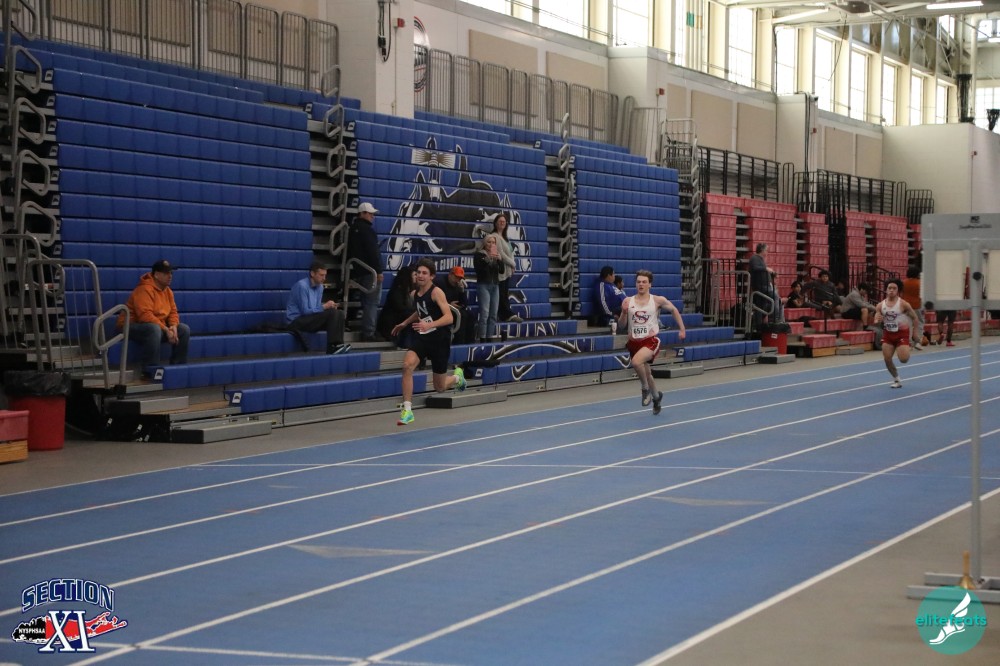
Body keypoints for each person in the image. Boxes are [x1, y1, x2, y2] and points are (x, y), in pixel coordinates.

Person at [391, 258, 466, 426]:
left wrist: (429, 325)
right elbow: (421, 311)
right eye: (418, 272)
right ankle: (407, 411)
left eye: (424, 273)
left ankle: (457, 378)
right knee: (407, 365)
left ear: (432, 276)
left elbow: (449, 317)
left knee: (440, 387)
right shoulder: (414, 294)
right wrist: (405, 323)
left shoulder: (436, 292)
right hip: (423, 338)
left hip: (440, 341)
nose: (420, 275)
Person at [616, 269, 686, 415]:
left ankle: (645, 389)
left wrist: (682, 329)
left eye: (644, 282)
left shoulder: (657, 300)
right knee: (647, 374)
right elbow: (621, 326)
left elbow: (673, 310)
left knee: (636, 363)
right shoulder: (628, 301)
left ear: (650, 285)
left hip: (650, 341)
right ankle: (656, 397)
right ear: (635, 284)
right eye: (638, 282)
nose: (641, 284)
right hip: (634, 342)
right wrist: (623, 312)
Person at [116, 259, 190, 377]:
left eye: (171, 273)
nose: (170, 276)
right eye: (166, 273)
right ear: (156, 275)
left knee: (184, 329)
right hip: (130, 326)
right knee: (154, 329)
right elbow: (145, 316)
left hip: (155, 326)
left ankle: (178, 368)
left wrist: (173, 327)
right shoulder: (144, 289)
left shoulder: (168, 291)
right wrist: (166, 329)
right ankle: (150, 371)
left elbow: (173, 312)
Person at [285, 262, 350, 354]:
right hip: (296, 321)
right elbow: (305, 311)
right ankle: (332, 347)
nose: (324, 278)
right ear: (312, 273)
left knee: (339, 313)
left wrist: (327, 308)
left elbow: (316, 310)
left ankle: (338, 345)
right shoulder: (302, 286)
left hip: (309, 319)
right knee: (332, 313)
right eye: (321, 275)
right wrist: (324, 307)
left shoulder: (320, 287)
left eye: (325, 275)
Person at [347, 202, 383, 342]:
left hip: (359, 271)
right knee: (372, 302)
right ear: (362, 213)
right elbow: (373, 252)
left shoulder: (352, 229)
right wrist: (378, 271)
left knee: (367, 302)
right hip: (370, 272)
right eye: (370, 213)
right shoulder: (368, 230)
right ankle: (369, 333)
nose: (372, 216)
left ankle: (367, 331)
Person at [873, 278, 919, 388]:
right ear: (886, 290)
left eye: (894, 288)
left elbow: (915, 318)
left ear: (898, 290)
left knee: (903, 359)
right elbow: (876, 319)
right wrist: (877, 320)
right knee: (887, 359)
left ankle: (906, 347)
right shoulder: (880, 305)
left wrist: (915, 333)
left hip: (901, 334)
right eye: (889, 288)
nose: (891, 290)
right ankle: (896, 379)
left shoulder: (903, 304)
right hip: (888, 335)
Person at [491, 214, 522, 323]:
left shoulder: (505, 238)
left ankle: (506, 315)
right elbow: (501, 254)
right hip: (500, 271)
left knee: (504, 293)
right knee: (501, 294)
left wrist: (512, 266)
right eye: (500, 221)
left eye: (504, 221)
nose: (502, 223)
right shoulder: (495, 236)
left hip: (507, 271)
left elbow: (510, 252)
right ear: (495, 223)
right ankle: (507, 315)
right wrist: (513, 263)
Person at [377, 265, 416, 348]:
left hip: (398, 320)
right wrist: (415, 312)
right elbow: (400, 308)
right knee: (411, 317)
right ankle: (405, 344)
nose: (416, 277)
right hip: (389, 325)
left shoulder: (409, 290)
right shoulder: (397, 291)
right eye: (414, 275)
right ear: (408, 277)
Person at [473, 233, 502, 342]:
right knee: (485, 313)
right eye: (489, 242)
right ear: (485, 243)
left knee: (493, 313)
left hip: (495, 285)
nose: (491, 244)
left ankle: (489, 337)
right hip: (483, 285)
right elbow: (479, 270)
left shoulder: (497, 255)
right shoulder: (479, 255)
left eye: (493, 242)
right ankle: (482, 338)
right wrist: (488, 259)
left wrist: (500, 260)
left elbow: (502, 271)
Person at [749, 243, 784, 332]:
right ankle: (775, 319)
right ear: (762, 250)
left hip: (765, 285)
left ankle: (757, 325)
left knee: (761, 306)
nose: (767, 252)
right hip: (761, 286)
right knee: (775, 297)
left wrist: (772, 274)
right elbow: (755, 268)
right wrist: (766, 269)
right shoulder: (754, 258)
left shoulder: (760, 259)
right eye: (766, 250)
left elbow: (762, 270)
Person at [434, 265, 473, 344]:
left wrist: (462, 291)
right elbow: (435, 299)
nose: (457, 280)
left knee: (470, 315)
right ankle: (459, 342)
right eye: (456, 277)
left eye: (460, 278)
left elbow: (464, 304)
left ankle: (469, 343)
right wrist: (448, 304)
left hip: (454, 310)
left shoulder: (458, 285)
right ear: (450, 274)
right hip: (441, 309)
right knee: (462, 316)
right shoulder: (440, 282)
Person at [901, 266, 924, 350]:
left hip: (906, 306)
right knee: (919, 323)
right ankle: (918, 341)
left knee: (908, 324)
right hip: (917, 305)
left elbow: (901, 294)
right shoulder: (920, 283)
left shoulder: (904, 282)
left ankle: (909, 342)